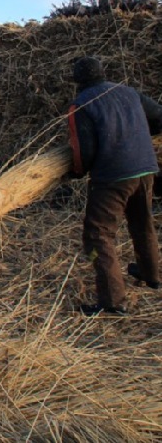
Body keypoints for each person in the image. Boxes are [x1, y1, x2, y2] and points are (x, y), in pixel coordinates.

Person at [67, 57, 162, 316]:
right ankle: (151, 274)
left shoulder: (81, 104)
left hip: (113, 176)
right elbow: (159, 116)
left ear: (77, 81)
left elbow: (83, 153)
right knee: (142, 222)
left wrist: (76, 172)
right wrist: (140, 137)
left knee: (98, 234)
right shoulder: (128, 92)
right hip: (146, 168)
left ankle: (112, 300)